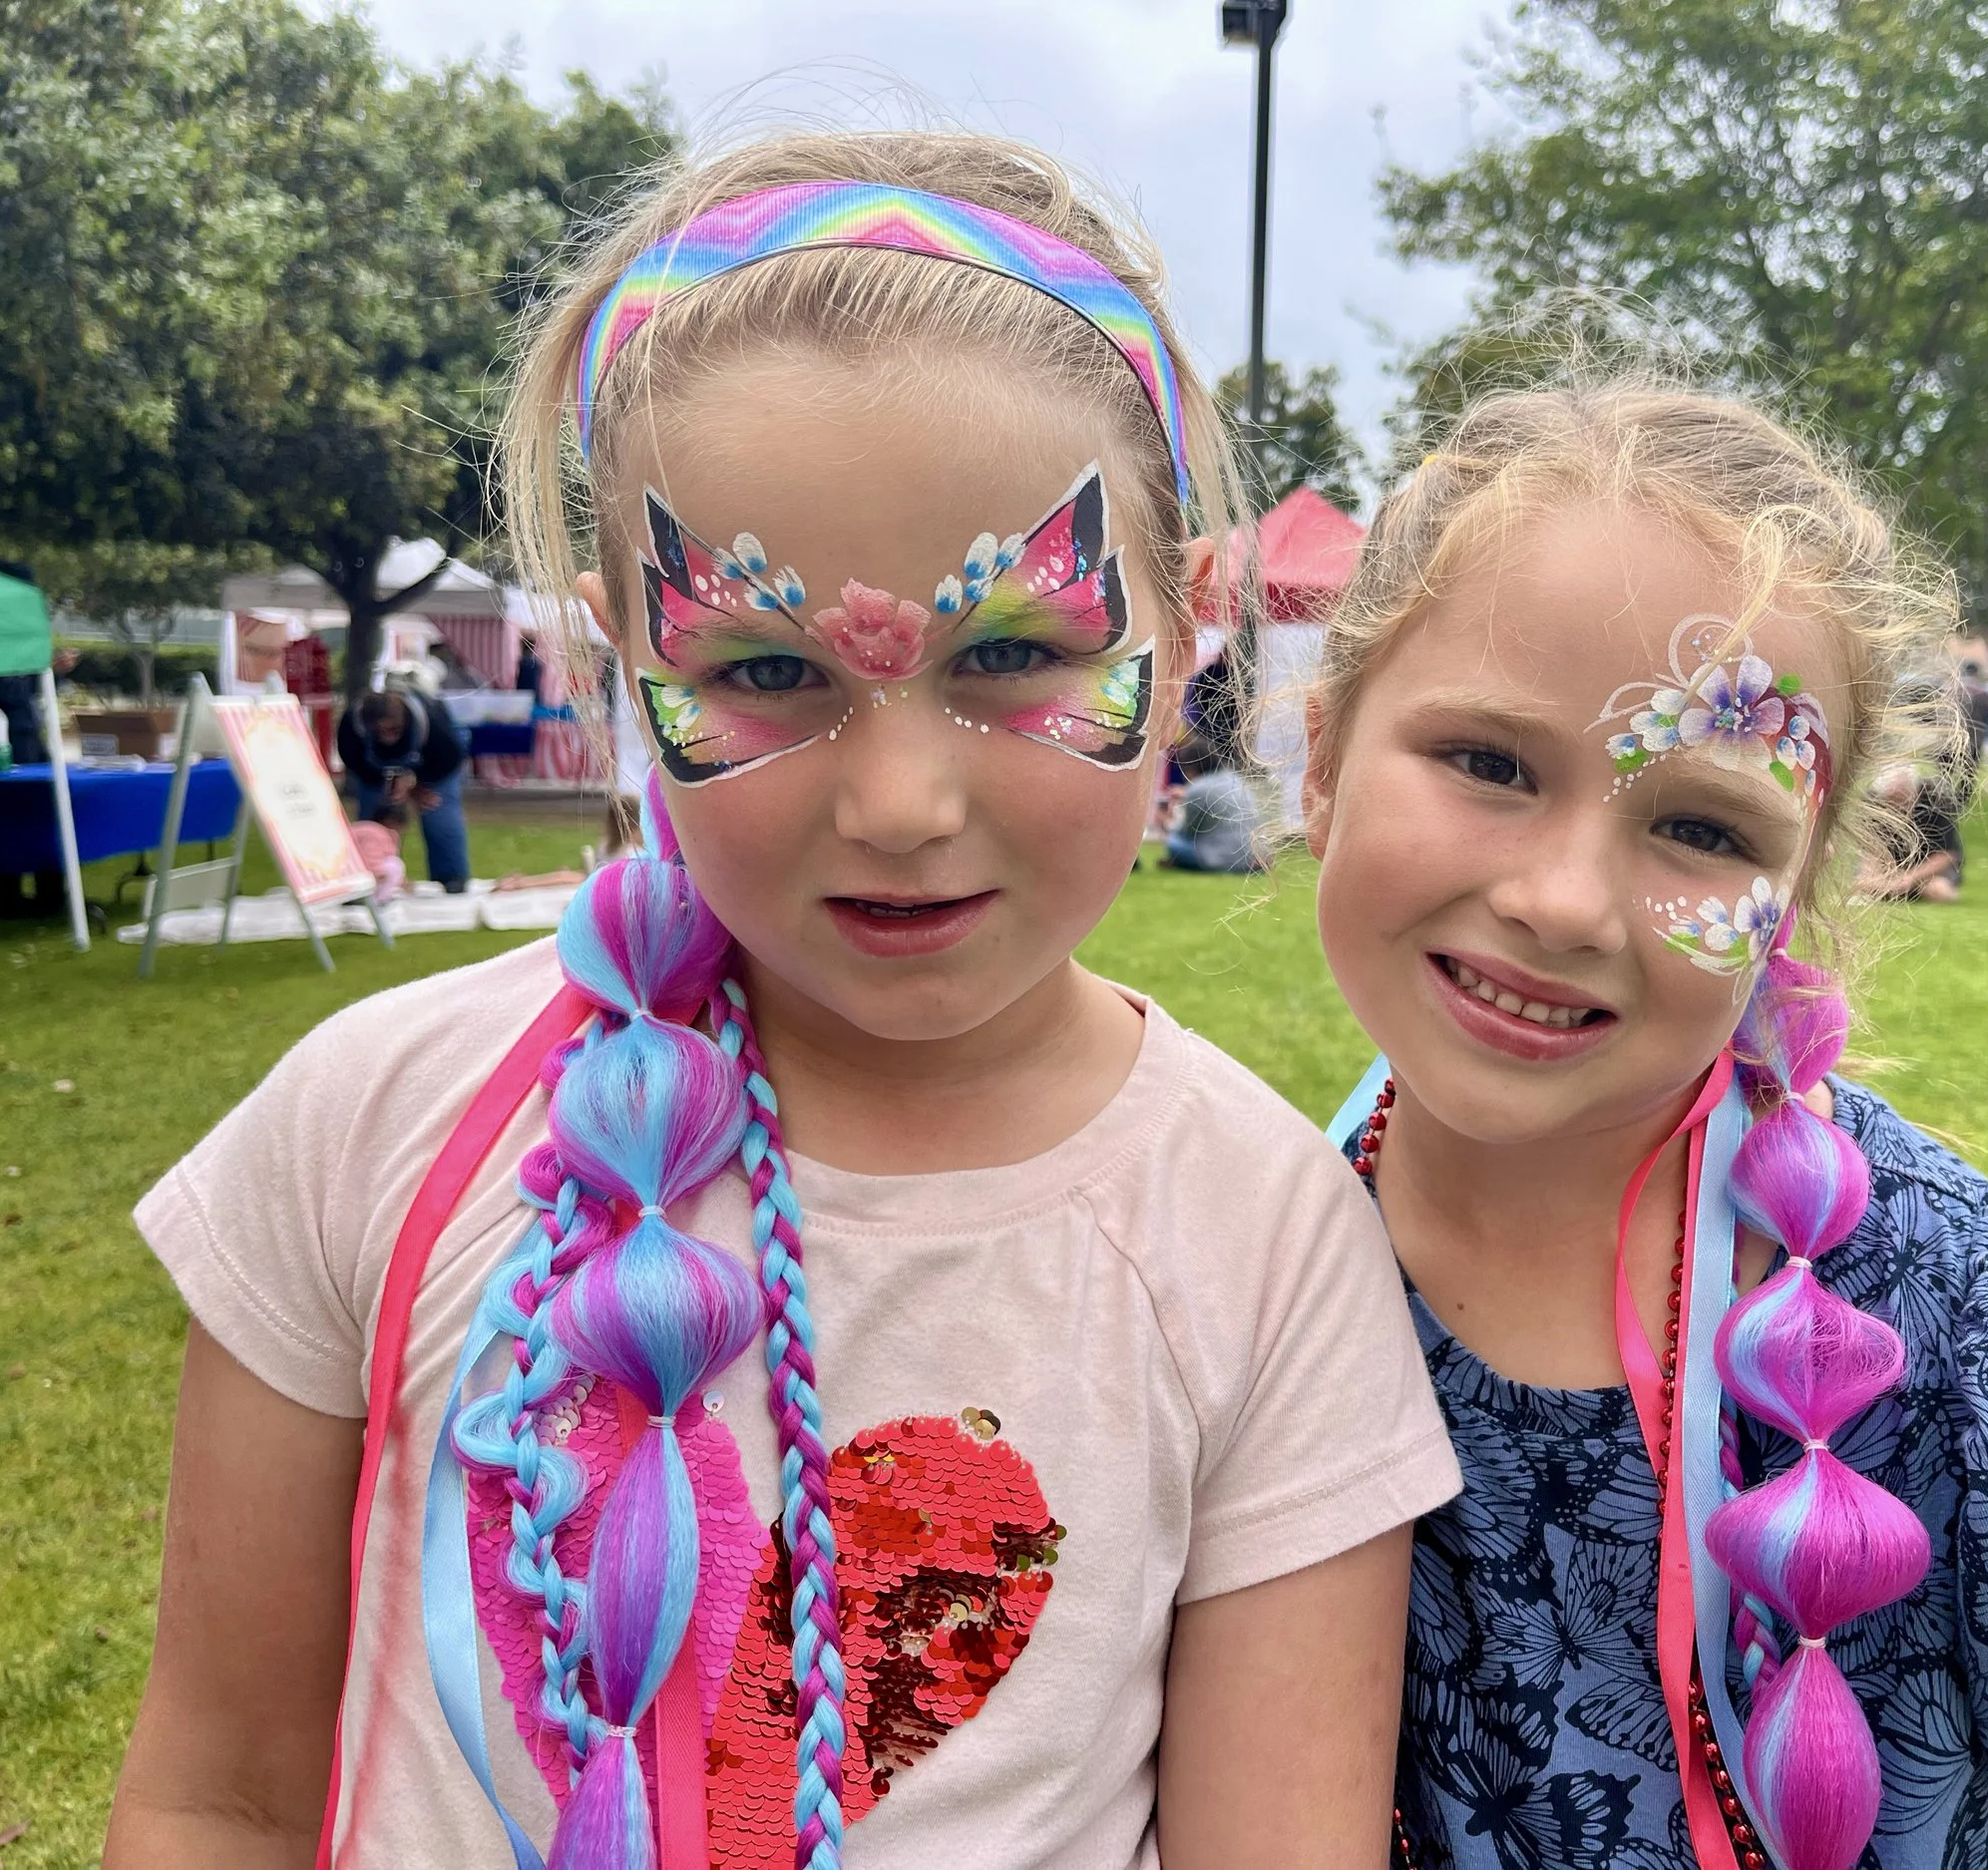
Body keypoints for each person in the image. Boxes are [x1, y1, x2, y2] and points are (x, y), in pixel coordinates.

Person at [108, 134, 1459, 1870]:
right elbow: (219, 1793)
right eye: (760, 670)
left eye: (1015, 657)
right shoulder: (370, 1121)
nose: (897, 804)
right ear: (615, 656)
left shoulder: (1262, 1243)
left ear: (1188, 630)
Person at [1296, 378, 1988, 1868]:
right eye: (1491, 763)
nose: (1561, 899)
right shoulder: (1225, 1251)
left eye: (1703, 827)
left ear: (1798, 901)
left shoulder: (1957, 1325)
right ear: (1318, 760)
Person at [336, 685, 472, 894]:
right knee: (372, 824)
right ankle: (370, 877)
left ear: (405, 720)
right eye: (379, 731)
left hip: (434, 766)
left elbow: (449, 760)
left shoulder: (433, 723)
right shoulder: (351, 727)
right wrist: (388, 782)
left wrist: (416, 786)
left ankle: (451, 876)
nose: (387, 736)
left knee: (439, 812)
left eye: (394, 730)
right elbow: (355, 763)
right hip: (375, 772)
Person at [1858, 760, 1963, 902]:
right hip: (1890, 869)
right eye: (1891, 800)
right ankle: (1894, 890)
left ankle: (1906, 891)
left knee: (1942, 890)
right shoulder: (1874, 805)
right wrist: (1876, 878)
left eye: (1901, 799)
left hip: (1927, 870)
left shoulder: (1937, 802)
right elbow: (1870, 853)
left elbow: (1946, 855)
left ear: (1914, 792)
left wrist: (1909, 879)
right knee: (1865, 882)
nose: (1897, 808)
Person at [1160, 735, 1262, 874]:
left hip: (1217, 858)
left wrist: (1166, 822)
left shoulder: (1197, 789)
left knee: (1173, 841)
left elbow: (1188, 832)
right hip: (1250, 857)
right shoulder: (1237, 780)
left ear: (1190, 767)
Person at [346, 800, 408, 904]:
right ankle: (374, 899)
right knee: (393, 865)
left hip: (351, 872)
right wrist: (378, 874)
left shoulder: (375, 831)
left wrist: (401, 881)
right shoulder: (374, 833)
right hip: (351, 875)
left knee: (393, 865)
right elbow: (371, 858)